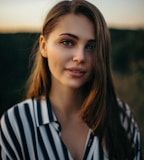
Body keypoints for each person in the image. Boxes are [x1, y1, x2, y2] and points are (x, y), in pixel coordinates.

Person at [0, 0, 142, 159]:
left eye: (91, 46)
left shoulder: (121, 116)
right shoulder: (16, 123)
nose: (80, 57)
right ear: (44, 46)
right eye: (67, 42)